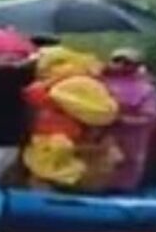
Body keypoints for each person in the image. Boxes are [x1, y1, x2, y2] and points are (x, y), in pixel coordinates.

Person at [20, 46, 120, 190]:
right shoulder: (54, 84)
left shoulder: (70, 84)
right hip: (52, 139)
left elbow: (102, 113)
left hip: (68, 141)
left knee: (53, 171)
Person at [96, 48, 156, 191]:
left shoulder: (145, 89)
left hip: (131, 138)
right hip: (100, 135)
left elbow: (151, 117)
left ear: (136, 65)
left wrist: (123, 120)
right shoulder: (98, 81)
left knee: (126, 168)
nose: (121, 64)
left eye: (127, 62)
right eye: (117, 60)